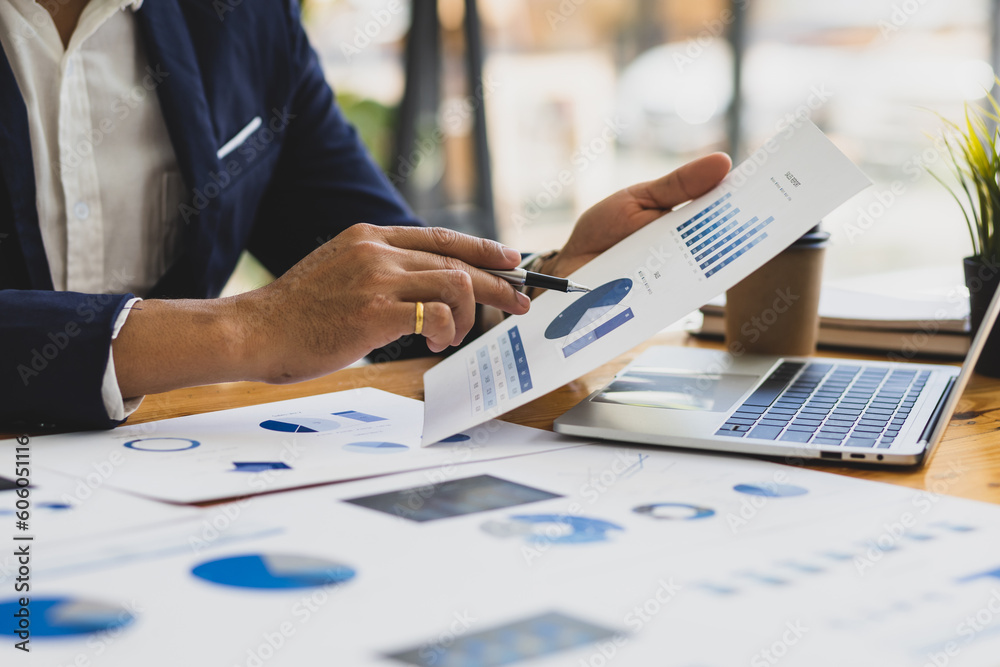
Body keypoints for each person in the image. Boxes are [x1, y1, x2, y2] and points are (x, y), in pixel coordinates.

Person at [0, 0, 731, 430]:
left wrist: (541, 284)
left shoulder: (247, 20)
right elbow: (274, 323)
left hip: (156, 486)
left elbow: (382, 268)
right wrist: (247, 329)